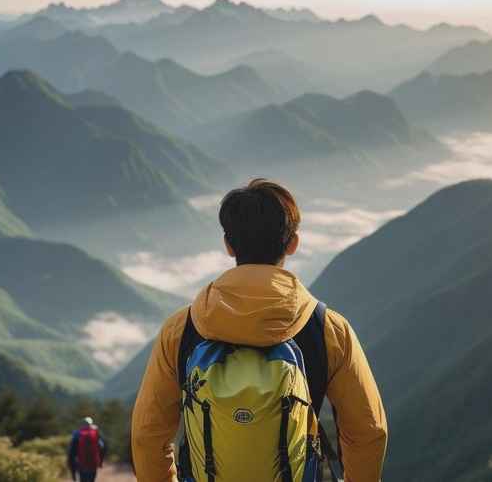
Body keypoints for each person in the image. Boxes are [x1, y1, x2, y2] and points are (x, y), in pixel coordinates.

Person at [131, 179, 388, 481]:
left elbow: (148, 435)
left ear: (229, 245)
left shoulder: (181, 329)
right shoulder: (328, 329)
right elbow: (369, 432)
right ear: (293, 243)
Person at [68, 417, 107, 482]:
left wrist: (73, 470)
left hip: (81, 463)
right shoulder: (96, 433)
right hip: (93, 463)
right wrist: (100, 462)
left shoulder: (77, 433)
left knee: (83, 479)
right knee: (91, 480)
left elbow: (71, 452)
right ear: (91, 424)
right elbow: (103, 447)